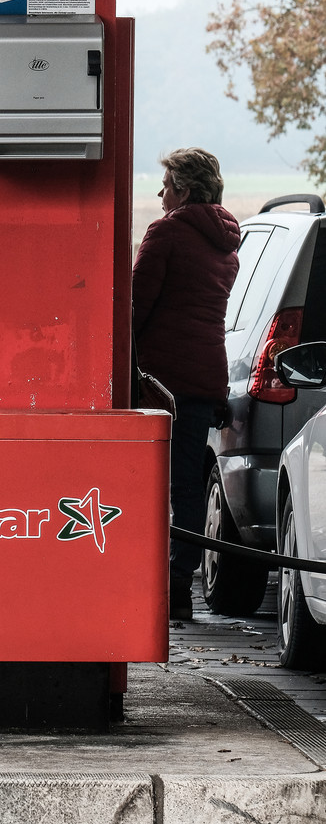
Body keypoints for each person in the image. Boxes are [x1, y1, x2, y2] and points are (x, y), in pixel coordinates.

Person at [132, 147, 240, 621]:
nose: (160, 193)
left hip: (160, 381)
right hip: (203, 378)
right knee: (187, 487)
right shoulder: (226, 242)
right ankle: (178, 584)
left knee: (144, 483)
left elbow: (135, 307)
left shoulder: (168, 233)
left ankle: (153, 581)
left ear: (185, 189)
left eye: (167, 184)